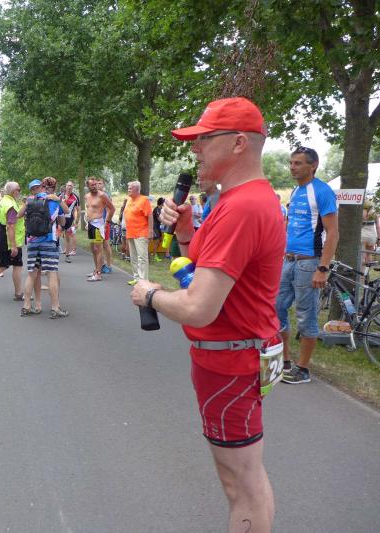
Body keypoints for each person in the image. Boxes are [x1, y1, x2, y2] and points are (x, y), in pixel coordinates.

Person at [131, 97, 283, 532]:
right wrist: (185, 233)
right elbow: (207, 273)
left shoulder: (240, 208)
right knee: (249, 474)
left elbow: (198, 307)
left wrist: (149, 294)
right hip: (244, 350)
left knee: (240, 484)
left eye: (203, 139)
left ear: (238, 143)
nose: (194, 149)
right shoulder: (240, 200)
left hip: (230, 360)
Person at [276, 146, 339, 385]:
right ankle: (284, 361)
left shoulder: (322, 191)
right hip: (288, 260)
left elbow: (333, 233)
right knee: (276, 309)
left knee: (306, 315)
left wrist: (322, 268)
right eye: (291, 163)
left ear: (313, 166)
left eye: (298, 163)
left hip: (309, 262)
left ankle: (302, 370)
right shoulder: (295, 191)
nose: (293, 167)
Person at [20, 177, 68, 318]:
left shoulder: (30, 200)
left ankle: (27, 306)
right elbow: (63, 219)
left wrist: (27, 203)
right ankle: (55, 308)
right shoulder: (53, 200)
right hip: (49, 240)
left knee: (32, 273)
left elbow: (18, 215)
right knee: (52, 273)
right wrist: (59, 200)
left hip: (32, 241)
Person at [84, 177, 115, 281]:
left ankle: (98, 273)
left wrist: (107, 222)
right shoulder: (87, 196)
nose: (94, 186)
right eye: (92, 185)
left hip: (98, 224)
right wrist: (87, 222)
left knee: (98, 249)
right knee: (93, 249)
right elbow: (88, 209)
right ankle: (96, 270)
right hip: (90, 224)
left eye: (95, 184)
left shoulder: (102, 195)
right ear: (88, 186)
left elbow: (112, 208)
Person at [123, 181, 152, 285]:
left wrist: (150, 231)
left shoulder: (144, 200)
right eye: (128, 188)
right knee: (133, 257)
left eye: (130, 188)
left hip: (141, 233)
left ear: (137, 189)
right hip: (130, 232)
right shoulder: (129, 200)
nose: (128, 190)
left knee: (142, 257)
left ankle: (143, 280)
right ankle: (136, 278)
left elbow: (150, 216)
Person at [61, 181, 80, 260]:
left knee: (71, 234)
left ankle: (73, 250)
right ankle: (66, 249)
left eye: (71, 186)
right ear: (66, 186)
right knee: (62, 234)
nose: (69, 187)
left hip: (70, 219)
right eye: (68, 185)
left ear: (73, 187)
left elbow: (78, 210)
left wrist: (76, 222)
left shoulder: (75, 197)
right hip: (60, 218)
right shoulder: (60, 195)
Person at [361, 199, 378, 266]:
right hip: (372, 235)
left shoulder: (360, 212)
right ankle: (367, 270)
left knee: (362, 255)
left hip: (362, 235)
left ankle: (361, 271)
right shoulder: (374, 213)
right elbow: (378, 227)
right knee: (369, 254)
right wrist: (378, 238)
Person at [152, 197, 165, 262]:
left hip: (158, 227)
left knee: (160, 240)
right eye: (164, 202)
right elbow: (159, 219)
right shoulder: (156, 209)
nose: (165, 204)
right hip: (154, 227)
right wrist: (166, 222)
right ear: (162, 203)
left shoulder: (160, 209)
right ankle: (154, 256)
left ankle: (154, 253)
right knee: (156, 242)